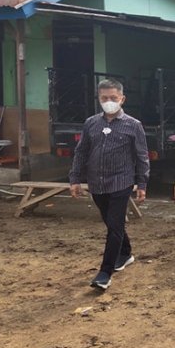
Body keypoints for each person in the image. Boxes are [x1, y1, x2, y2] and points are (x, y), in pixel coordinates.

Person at [69, 79, 149, 290]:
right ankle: (126, 253)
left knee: (114, 226)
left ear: (122, 99)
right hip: (97, 183)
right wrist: (75, 178)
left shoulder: (133, 125)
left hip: (121, 182)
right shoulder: (91, 123)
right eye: (104, 98)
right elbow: (81, 152)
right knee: (112, 223)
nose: (109, 102)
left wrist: (142, 183)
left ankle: (105, 273)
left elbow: (142, 157)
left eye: (113, 98)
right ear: (99, 99)